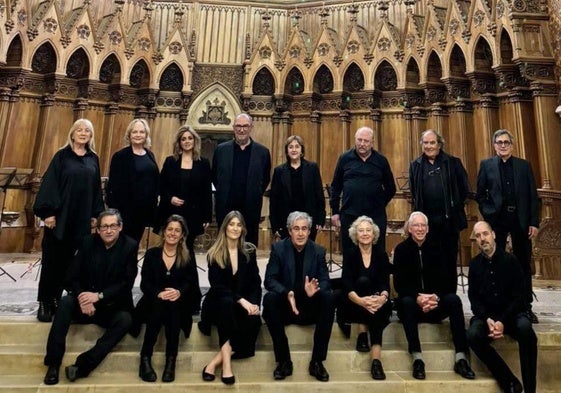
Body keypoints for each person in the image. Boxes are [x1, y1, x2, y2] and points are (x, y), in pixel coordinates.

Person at [42, 209, 138, 385]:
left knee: (125, 320)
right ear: (98, 229)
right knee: (64, 303)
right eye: (104, 227)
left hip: (110, 306)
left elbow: (126, 283)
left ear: (120, 227)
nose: (108, 230)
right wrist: (82, 297)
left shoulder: (130, 246)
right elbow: (72, 276)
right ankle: (53, 364)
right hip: (85, 303)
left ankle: (82, 366)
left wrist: (98, 296)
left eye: (113, 226)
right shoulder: (87, 243)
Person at [33, 118, 104, 323]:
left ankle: (59, 299)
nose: (83, 133)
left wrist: (95, 215)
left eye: (87, 131)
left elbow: (96, 190)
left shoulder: (93, 158)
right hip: (60, 218)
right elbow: (50, 184)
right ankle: (46, 301)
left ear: (91, 136)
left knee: (74, 263)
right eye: (79, 130)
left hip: (81, 219)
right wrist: (48, 214)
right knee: (52, 261)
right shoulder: (62, 156)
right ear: (72, 134)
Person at [392, 211, 475, 380]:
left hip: (435, 305)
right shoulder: (401, 250)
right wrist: (418, 297)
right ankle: (417, 358)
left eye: (423, 225)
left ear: (428, 229)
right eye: (416, 225)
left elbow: (450, 280)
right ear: (409, 228)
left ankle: (461, 357)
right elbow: (400, 283)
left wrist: (435, 297)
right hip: (413, 306)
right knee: (405, 301)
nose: (420, 229)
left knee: (453, 300)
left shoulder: (440, 248)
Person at [263, 211, 335, 382]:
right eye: (296, 229)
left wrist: (316, 290)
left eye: (304, 229)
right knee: (269, 299)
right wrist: (286, 292)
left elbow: (325, 281)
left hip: (309, 306)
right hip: (286, 307)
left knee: (328, 298)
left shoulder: (318, 251)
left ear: (310, 231)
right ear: (289, 231)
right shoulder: (279, 249)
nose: (301, 233)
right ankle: (284, 361)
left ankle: (317, 361)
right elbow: (269, 279)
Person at [476, 129, 540, 323]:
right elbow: (480, 194)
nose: (503, 145)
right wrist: (489, 214)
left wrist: (533, 222)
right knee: (495, 261)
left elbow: (532, 197)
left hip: (520, 220)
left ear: (512, 145)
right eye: (499, 142)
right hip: (498, 220)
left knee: (523, 263)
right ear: (494, 145)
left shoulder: (524, 166)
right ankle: (498, 304)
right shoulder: (486, 165)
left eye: (506, 142)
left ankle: (525, 306)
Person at [467, 221, 537, 393]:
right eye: (478, 236)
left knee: (526, 330)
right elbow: (474, 299)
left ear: (493, 235)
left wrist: (502, 321)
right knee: (473, 335)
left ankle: (530, 389)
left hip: (511, 315)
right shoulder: (474, 265)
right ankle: (509, 382)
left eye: (485, 234)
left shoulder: (511, 261)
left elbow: (519, 297)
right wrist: (488, 319)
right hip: (488, 317)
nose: (482, 239)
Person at [198, 211, 262, 385]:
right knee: (226, 306)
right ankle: (226, 366)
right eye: (232, 224)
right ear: (225, 227)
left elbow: (256, 282)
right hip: (218, 301)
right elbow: (218, 287)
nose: (235, 228)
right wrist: (241, 300)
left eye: (239, 225)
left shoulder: (249, 251)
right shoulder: (214, 253)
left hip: (242, 303)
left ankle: (213, 363)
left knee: (254, 321)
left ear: (243, 229)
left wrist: (254, 304)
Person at [136, 215, 199, 383]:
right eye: (170, 229)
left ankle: (170, 362)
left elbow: (190, 282)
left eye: (177, 230)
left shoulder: (187, 255)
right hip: (153, 300)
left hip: (178, 303)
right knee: (159, 304)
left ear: (182, 235)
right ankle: (145, 358)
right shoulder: (151, 254)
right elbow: (145, 284)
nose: (173, 233)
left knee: (173, 305)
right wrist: (158, 293)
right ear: (163, 233)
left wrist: (178, 292)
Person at [409, 129, 470, 293]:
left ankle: (449, 297)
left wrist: (454, 206)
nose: (429, 146)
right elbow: (415, 193)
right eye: (426, 143)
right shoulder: (415, 165)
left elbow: (464, 189)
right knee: (430, 261)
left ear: (439, 144)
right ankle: (432, 297)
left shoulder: (452, 162)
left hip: (448, 221)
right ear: (421, 145)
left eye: (432, 142)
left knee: (449, 261)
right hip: (426, 225)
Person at [338, 216, 392, 379]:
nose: (365, 233)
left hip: (377, 302)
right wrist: (363, 301)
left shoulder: (380, 254)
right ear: (356, 234)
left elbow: (384, 283)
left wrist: (382, 298)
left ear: (374, 233)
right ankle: (364, 336)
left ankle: (375, 360)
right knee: (362, 282)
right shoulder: (350, 254)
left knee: (375, 310)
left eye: (368, 230)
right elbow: (346, 284)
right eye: (361, 231)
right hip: (354, 302)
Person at [330, 126, 396, 254]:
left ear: (372, 143)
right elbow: (336, 186)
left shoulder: (381, 160)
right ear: (355, 140)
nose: (362, 144)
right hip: (349, 213)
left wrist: (379, 202)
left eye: (366, 141)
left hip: (375, 215)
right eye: (359, 140)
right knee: (350, 252)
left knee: (377, 251)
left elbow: (391, 188)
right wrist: (335, 211)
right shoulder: (344, 158)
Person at [212, 113, 271, 246]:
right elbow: (215, 176)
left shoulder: (262, 152)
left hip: (251, 208)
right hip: (226, 206)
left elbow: (265, 178)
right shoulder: (221, 150)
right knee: (224, 245)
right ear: (233, 128)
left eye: (245, 126)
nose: (242, 129)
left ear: (251, 128)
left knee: (249, 246)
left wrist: (254, 192)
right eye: (238, 126)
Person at [159, 125, 212, 261]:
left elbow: (206, 191)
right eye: (183, 139)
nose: (187, 141)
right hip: (172, 211)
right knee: (171, 245)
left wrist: (207, 216)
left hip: (193, 213)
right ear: (179, 142)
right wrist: (170, 198)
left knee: (188, 247)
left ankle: (189, 279)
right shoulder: (170, 161)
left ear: (195, 141)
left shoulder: (203, 163)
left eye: (190, 138)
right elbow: (161, 186)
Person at [106, 118, 159, 243]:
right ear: (129, 135)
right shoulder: (120, 156)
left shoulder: (149, 155)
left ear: (146, 135)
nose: (138, 135)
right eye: (135, 132)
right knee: (123, 245)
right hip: (125, 211)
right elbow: (113, 186)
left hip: (143, 211)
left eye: (141, 132)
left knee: (134, 244)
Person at [270, 135, 325, 241]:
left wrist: (320, 220)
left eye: (297, 146)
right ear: (287, 150)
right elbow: (274, 200)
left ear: (301, 150)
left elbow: (319, 195)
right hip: (285, 222)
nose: (294, 150)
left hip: (309, 220)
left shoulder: (312, 168)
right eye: (290, 147)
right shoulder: (279, 171)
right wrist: (275, 225)